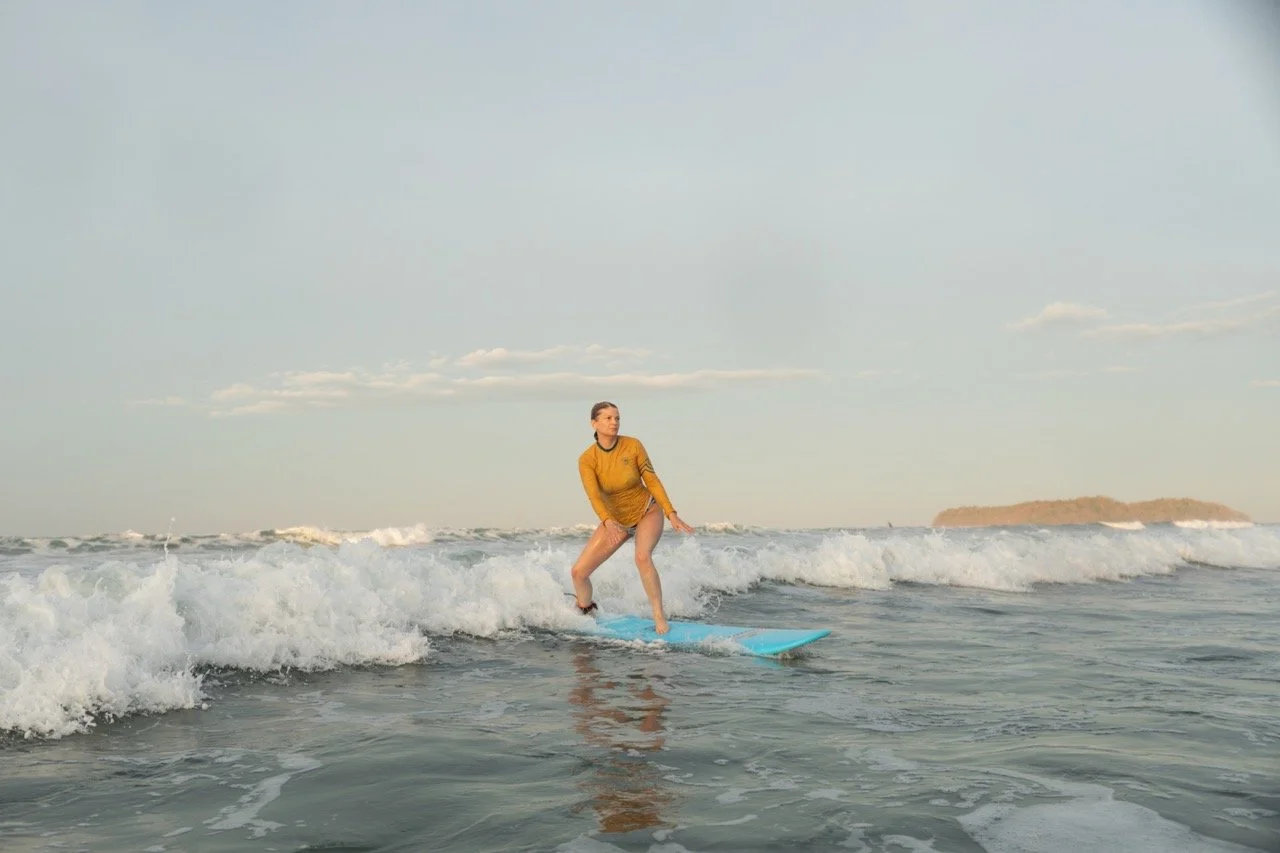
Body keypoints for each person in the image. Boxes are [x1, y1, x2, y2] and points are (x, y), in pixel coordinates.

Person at [571, 401, 694, 634]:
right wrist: (608, 522)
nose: (614, 422)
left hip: (647, 510)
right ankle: (586, 610)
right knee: (578, 573)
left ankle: (659, 616)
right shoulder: (587, 459)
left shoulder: (633, 445)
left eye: (617, 417)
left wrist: (671, 513)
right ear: (593, 423)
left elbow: (652, 479)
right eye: (607, 418)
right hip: (616, 522)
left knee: (642, 557)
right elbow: (594, 496)